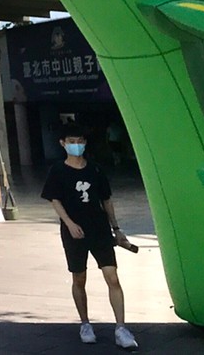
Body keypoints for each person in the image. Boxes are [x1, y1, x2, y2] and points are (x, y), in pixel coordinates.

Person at [42, 121, 139, 350]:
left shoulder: (95, 169)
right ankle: (85, 323)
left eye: (80, 142)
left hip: (100, 229)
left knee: (112, 276)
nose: (76, 145)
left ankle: (121, 328)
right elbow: (54, 199)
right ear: (63, 144)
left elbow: (106, 199)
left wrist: (116, 229)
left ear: (85, 143)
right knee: (79, 278)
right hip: (74, 232)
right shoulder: (57, 170)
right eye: (71, 142)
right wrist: (69, 223)